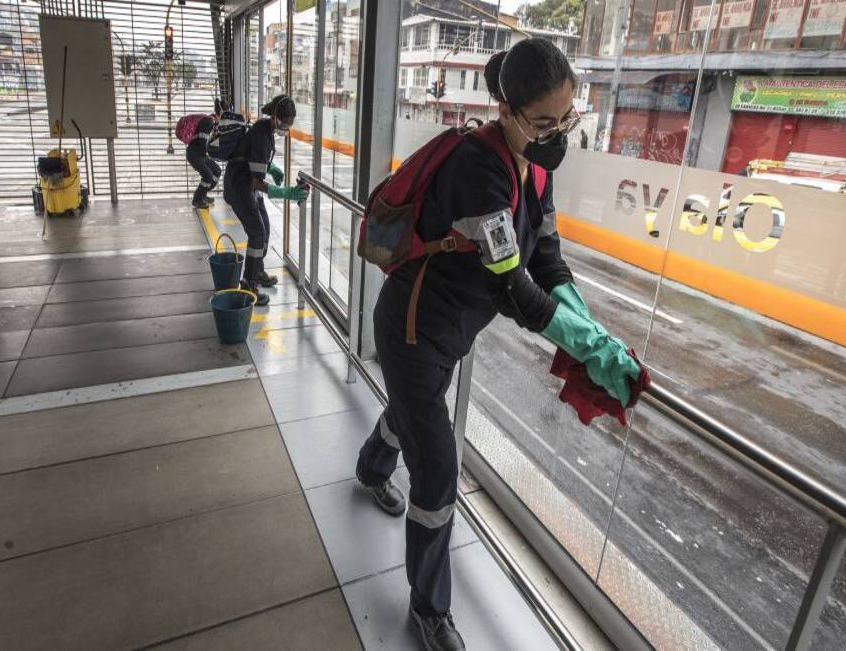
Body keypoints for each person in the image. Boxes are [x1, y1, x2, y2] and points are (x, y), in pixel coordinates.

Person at [354, 40, 642, 651]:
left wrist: (590, 327)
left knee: (415, 411)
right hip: (413, 329)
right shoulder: (477, 170)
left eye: (567, 119)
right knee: (436, 473)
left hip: (452, 331)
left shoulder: (535, 169)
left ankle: (368, 466)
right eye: (543, 123)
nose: (557, 134)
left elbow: (548, 258)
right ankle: (431, 609)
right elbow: (511, 283)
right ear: (506, 110)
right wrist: (586, 347)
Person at [223, 94, 308, 305]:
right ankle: (248, 286)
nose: (287, 128)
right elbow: (256, 183)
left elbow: (253, 157)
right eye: (286, 123)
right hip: (240, 188)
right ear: (277, 118)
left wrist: (272, 168)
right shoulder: (263, 135)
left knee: (265, 228)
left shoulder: (264, 128)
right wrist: (287, 193)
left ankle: (258, 271)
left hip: (245, 184)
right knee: (257, 233)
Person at [187, 99, 226, 209]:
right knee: (208, 176)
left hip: (201, 155)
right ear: (220, 114)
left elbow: (213, 144)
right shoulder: (208, 121)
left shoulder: (214, 124)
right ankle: (197, 199)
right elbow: (202, 142)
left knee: (217, 171)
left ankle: (203, 194)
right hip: (194, 154)